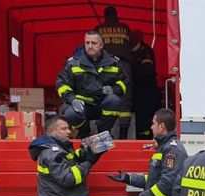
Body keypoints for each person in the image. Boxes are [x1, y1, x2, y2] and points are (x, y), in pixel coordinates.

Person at [56, 30, 131, 139]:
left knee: (114, 101)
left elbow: (125, 82)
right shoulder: (73, 63)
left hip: (102, 105)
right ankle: (84, 131)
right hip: (82, 105)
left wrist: (113, 89)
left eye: (94, 43)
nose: (90, 46)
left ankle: (103, 131)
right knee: (70, 113)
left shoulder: (113, 62)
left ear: (101, 45)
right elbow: (61, 84)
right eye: (87, 43)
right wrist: (72, 99)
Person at [94, 6, 134, 138]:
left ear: (105, 16)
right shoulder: (125, 28)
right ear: (117, 16)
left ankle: (106, 131)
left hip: (105, 66)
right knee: (125, 98)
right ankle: (123, 135)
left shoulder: (98, 30)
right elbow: (132, 45)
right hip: (124, 65)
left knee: (104, 97)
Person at [129, 30, 161, 140]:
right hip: (134, 91)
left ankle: (144, 138)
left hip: (147, 92)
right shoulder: (127, 51)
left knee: (145, 119)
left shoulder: (146, 52)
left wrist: (129, 72)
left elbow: (146, 71)